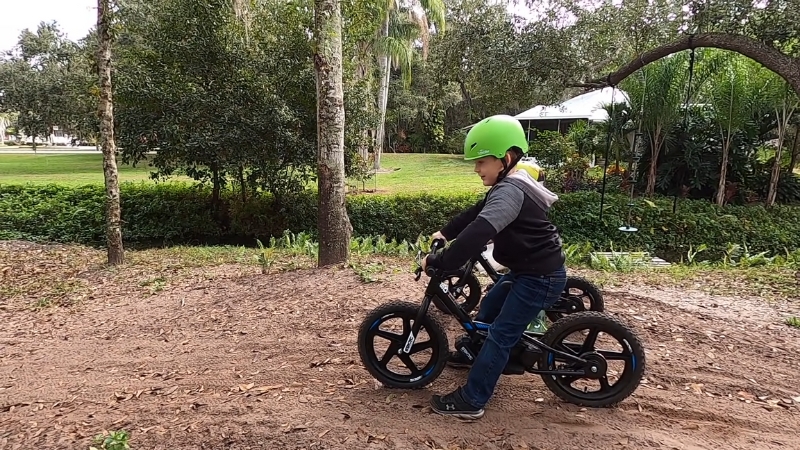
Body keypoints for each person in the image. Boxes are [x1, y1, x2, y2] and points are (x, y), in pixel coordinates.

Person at [420, 114, 567, 420]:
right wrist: (445, 233)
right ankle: (474, 351)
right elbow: (474, 213)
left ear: (506, 159)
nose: (476, 169)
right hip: (528, 271)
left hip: (539, 278)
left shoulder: (510, 191)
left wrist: (443, 262)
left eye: (481, 162)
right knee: (490, 305)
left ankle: (472, 400)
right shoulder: (509, 183)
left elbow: (478, 232)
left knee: (502, 335)